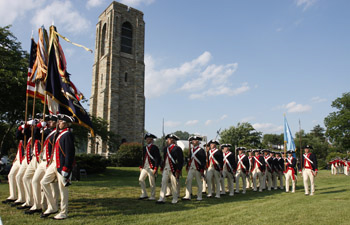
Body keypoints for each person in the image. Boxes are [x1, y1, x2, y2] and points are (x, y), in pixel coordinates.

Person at [40, 114, 75, 219]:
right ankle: (53, 207)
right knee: (44, 182)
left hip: (62, 165)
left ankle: (63, 212)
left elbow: (70, 153)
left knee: (63, 189)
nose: (58, 123)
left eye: (60, 122)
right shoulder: (60, 134)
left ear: (66, 123)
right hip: (54, 163)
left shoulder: (67, 134)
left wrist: (66, 168)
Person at [25, 115, 59, 214]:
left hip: (50, 161)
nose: (49, 122)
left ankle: (52, 205)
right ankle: (37, 205)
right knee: (35, 181)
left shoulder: (54, 132)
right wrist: (39, 126)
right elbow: (36, 137)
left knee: (52, 185)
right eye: (49, 121)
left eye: (52, 121)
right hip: (42, 161)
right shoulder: (46, 131)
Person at [2, 123, 26, 205]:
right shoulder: (21, 138)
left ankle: (22, 197)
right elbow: (17, 135)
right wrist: (20, 128)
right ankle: (13, 195)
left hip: (24, 159)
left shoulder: (29, 137)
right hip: (18, 159)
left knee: (19, 177)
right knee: (11, 175)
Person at [157, 134, 183, 204]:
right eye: (168, 139)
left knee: (174, 184)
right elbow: (165, 158)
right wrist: (162, 167)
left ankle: (175, 199)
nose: (167, 141)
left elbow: (180, 161)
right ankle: (161, 198)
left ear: (172, 140)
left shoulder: (177, 149)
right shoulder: (166, 149)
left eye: (168, 139)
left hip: (173, 169)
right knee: (163, 183)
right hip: (166, 168)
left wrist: (178, 170)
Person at [183, 136, 206, 201]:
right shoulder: (191, 150)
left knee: (199, 183)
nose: (193, 141)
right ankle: (187, 195)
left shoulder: (201, 150)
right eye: (193, 140)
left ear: (198, 142)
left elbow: (203, 161)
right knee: (188, 181)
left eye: (195, 140)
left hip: (198, 168)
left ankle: (199, 196)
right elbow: (189, 159)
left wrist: (202, 170)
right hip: (191, 168)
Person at [138, 133, 161, 201]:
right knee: (141, 179)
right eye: (146, 139)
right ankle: (144, 193)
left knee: (152, 182)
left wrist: (156, 168)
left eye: (148, 138)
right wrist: (140, 166)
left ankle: (152, 196)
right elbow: (143, 157)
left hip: (151, 167)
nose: (147, 140)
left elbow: (157, 158)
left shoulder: (155, 147)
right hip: (145, 167)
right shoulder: (144, 148)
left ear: (151, 139)